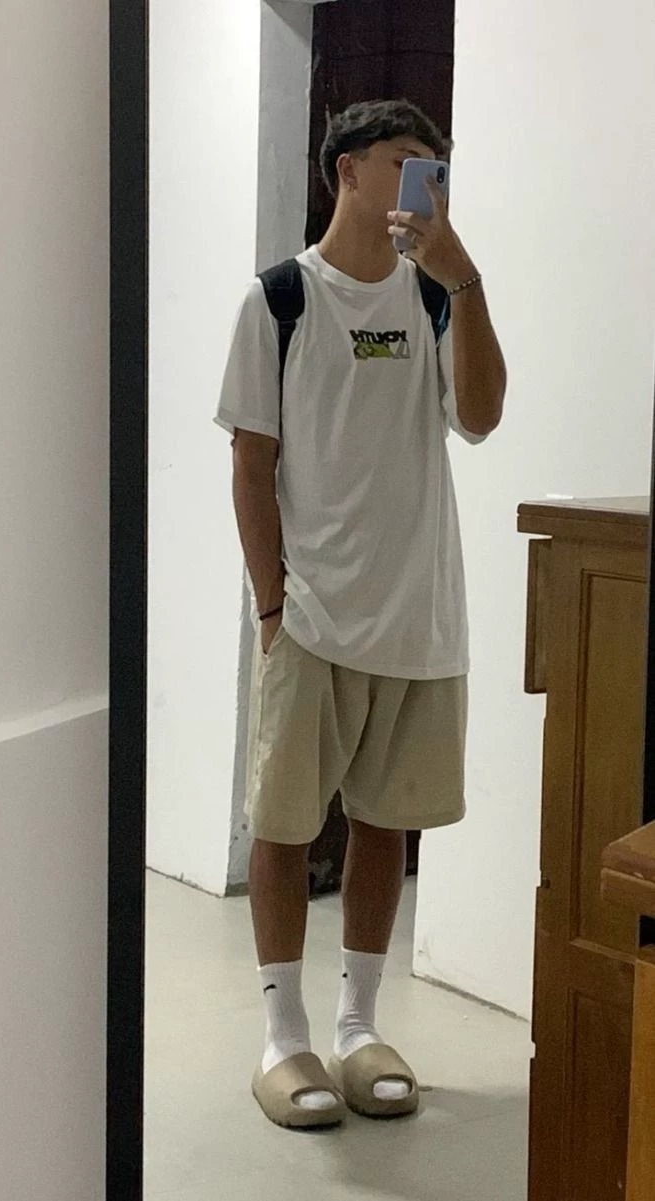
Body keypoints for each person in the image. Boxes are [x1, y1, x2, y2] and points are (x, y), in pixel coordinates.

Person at [215, 99, 506, 1129]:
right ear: (347, 170)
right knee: (284, 823)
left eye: (435, 169)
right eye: (404, 162)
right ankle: (282, 1035)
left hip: (418, 616)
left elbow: (480, 416)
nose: (423, 185)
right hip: (312, 616)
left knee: (386, 822)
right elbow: (251, 463)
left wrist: (462, 278)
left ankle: (356, 1025)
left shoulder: (432, 298)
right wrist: (271, 603)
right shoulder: (281, 298)